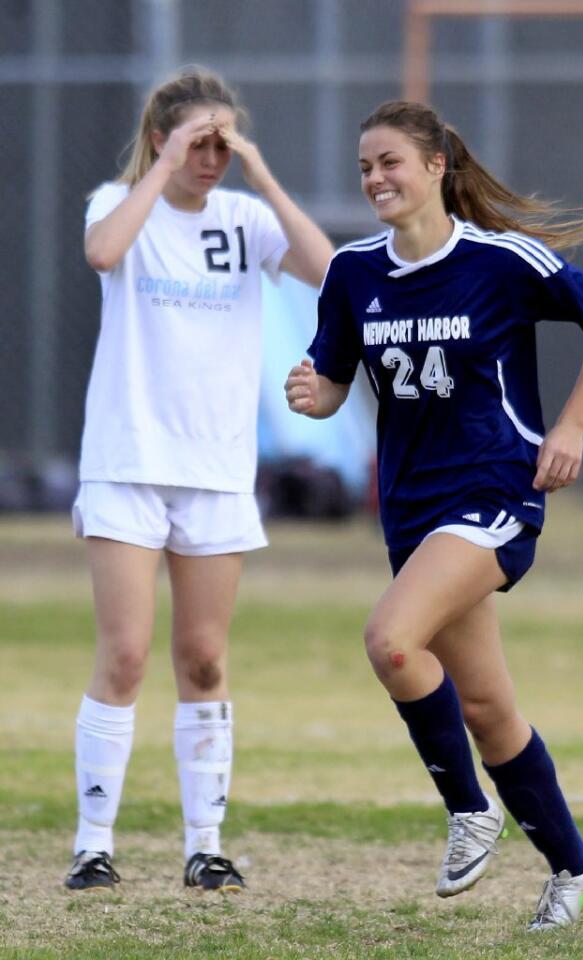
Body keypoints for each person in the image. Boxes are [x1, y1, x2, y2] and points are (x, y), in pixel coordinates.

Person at [285, 100, 583, 931]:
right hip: (410, 508)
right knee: (485, 709)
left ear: (437, 166)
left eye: (390, 163)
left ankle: (467, 808)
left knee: (390, 640)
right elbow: (335, 381)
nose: (373, 178)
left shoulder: (499, 260)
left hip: (494, 493)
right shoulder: (352, 273)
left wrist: (573, 426)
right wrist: (314, 395)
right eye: (364, 166)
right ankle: (574, 867)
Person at [65, 65, 333, 893]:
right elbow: (102, 252)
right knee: (125, 655)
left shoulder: (246, 217)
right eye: (198, 142)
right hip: (128, 463)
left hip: (215, 471)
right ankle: (92, 844)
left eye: (224, 143)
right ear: (161, 141)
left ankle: (205, 845)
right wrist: (162, 165)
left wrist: (261, 173)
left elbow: (333, 274)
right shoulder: (120, 206)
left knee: (206, 658)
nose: (212, 158)